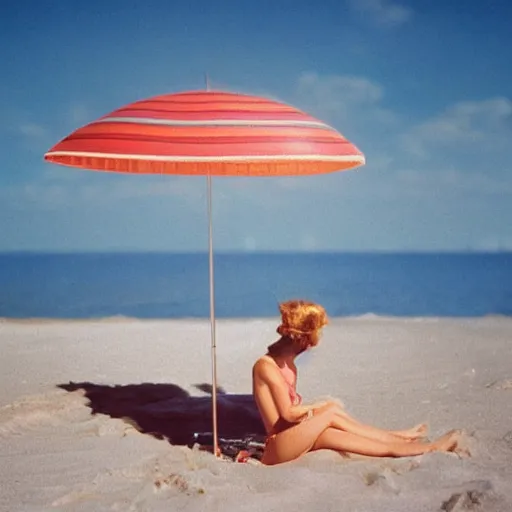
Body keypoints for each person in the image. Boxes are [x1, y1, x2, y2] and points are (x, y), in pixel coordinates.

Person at [252, 299, 462, 466]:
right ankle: (399, 438)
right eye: (316, 333)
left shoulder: (289, 365)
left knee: (348, 439)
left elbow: (291, 417)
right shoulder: (266, 366)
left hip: (293, 438)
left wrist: (314, 414)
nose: (318, 340)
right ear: (302, 338)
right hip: (277, 447)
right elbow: (288, 414)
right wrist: (318, 408)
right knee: (331, 410)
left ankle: (406, 442)